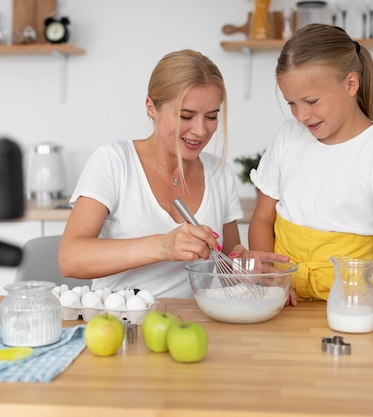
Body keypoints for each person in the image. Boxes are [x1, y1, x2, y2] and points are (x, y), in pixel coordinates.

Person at [249, 24, 373, 314]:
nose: (301, 115)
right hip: (284, 302)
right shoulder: (288, 136)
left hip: (349, 305)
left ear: (351, 84)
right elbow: (262, 220)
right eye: (291, 103)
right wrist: (273, 279)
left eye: (312, 101)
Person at [58, 49, 248, 298]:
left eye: (211, 116)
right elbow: (70, 258)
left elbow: (228, 266)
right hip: (121, 325)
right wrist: (162, 246)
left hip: (196, 327)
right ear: (151, 108)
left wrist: (247, 266)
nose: (201, 130)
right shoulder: (114, 161)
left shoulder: (218, 172)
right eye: (186, 116)